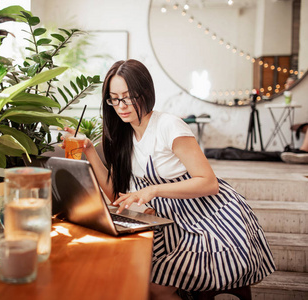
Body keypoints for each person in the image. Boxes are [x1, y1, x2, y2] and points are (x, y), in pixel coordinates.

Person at [62, 59, 275, 299]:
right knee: (130, 275)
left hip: (206, 218)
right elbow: (115, 194)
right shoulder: (124, 136)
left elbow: (208, 182)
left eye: (128, 96)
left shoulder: (169, 126)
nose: (121, 106)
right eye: (114, 98)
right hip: (166, 222)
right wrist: (89, 150)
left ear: (145, 93)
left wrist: (153, 190)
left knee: (153, 287)